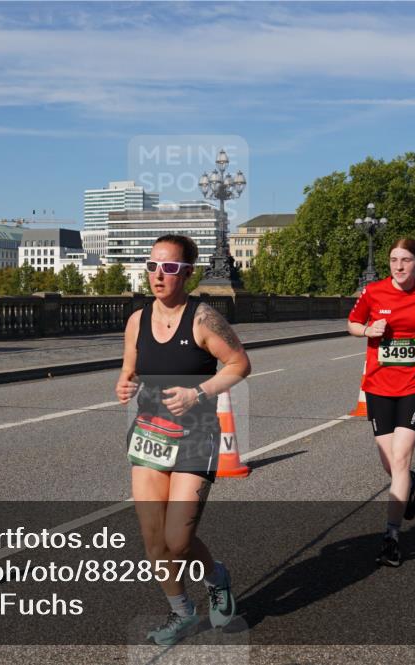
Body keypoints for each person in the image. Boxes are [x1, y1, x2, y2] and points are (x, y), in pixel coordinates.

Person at [116, 234, 250, 645]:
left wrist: (199, 392)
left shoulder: (204, 319)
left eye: (170, 267)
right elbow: (130, 369)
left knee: (179, 540)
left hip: (195, 437)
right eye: (153, 265)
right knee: (154, 539)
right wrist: (125, 384)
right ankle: (182, 613)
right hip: (150, 436)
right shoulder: (137, 320)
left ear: (188, 273)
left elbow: (240, 363)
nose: (159, 274)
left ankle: (215, 575)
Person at [347, 238, 415, 567]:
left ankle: (391, 536)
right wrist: (367, 331)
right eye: (394, 259)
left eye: (406, 259)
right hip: (378, 386)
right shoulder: (374, 292)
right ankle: (410, 482)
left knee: (401, 459)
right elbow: (351, 324)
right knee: (390, 464)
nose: (399, 266)